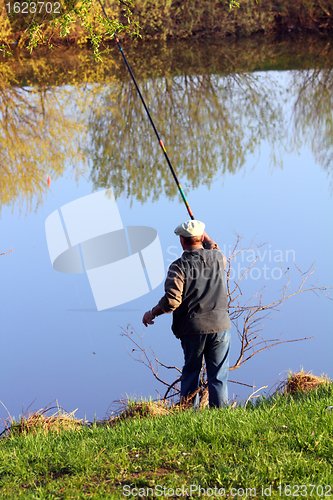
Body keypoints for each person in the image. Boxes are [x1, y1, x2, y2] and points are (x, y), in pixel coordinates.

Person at [142, 220, 231, 408]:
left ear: (182, 241)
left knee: (191, 372)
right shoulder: (218, 259)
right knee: (219, 376)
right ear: (201, 238)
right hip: (221, 326)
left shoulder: (179, 267)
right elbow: (213, 248)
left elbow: (172, 302)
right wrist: (205, 235)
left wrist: (152, 313)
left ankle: (189, 414)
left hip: (193, 329)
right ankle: (222, 416)